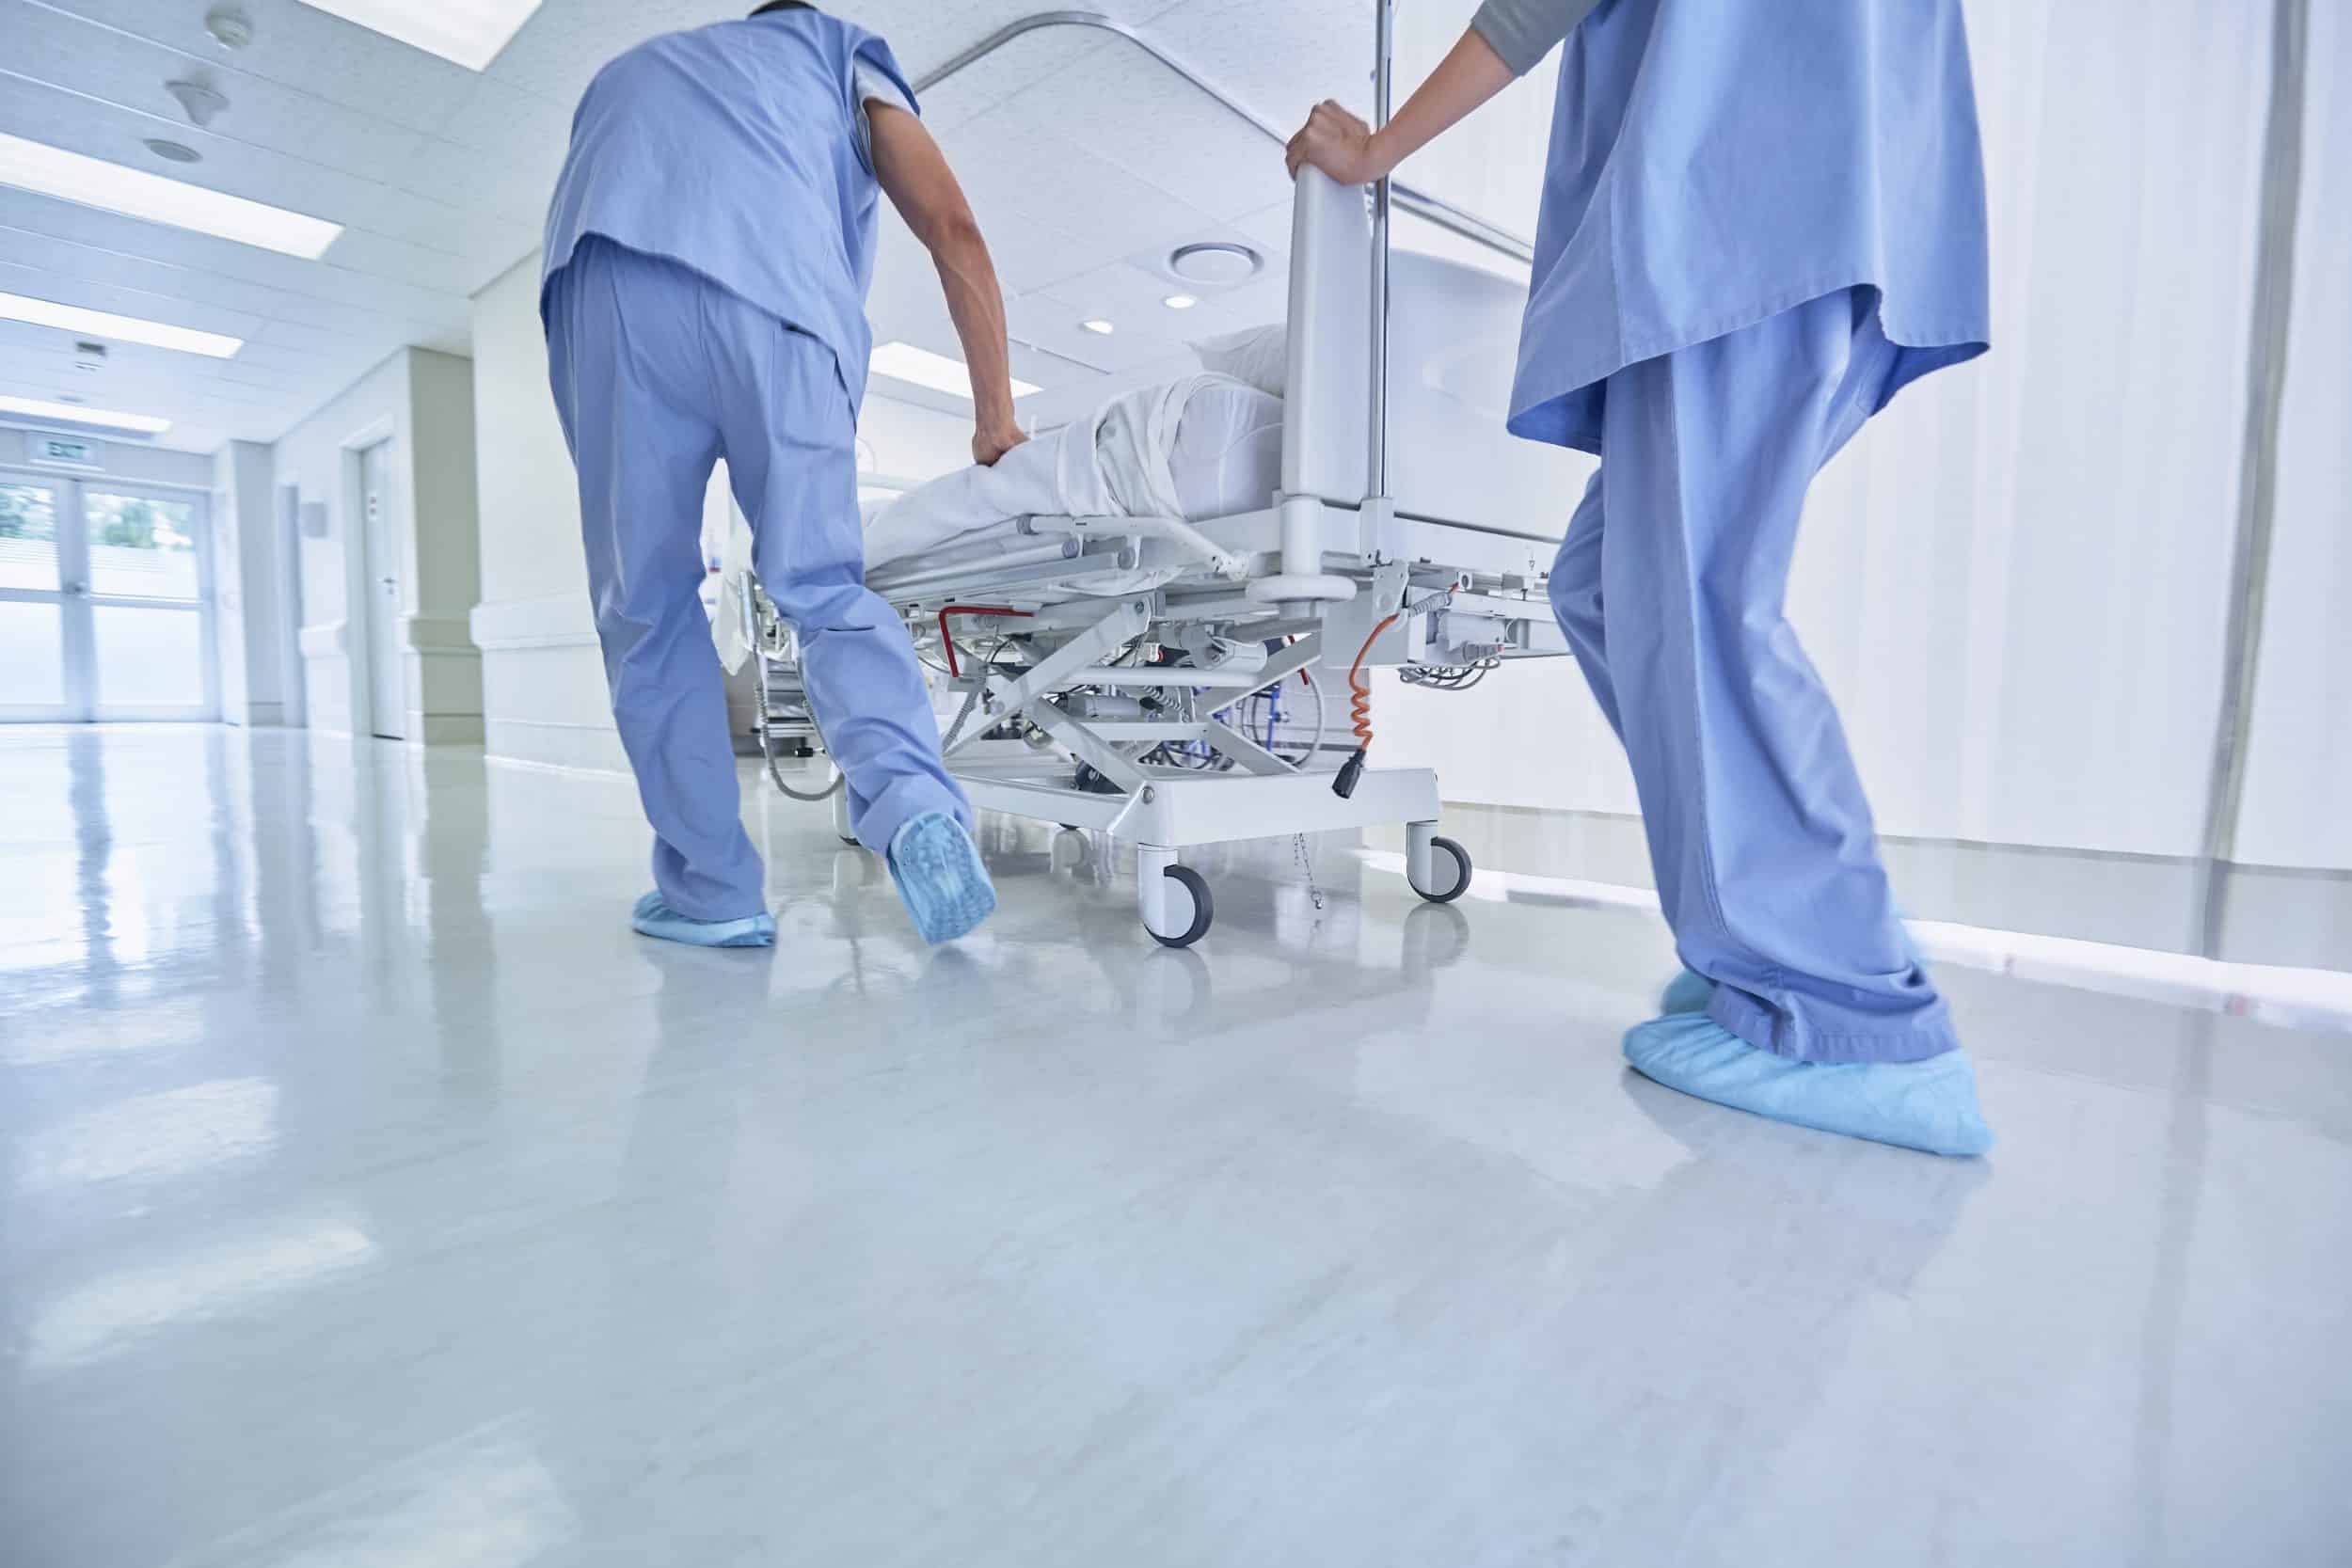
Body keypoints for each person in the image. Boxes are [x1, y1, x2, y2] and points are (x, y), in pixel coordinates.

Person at [1287, 0, 1995, 1156]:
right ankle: (1771, 941)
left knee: (1700, 601)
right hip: (1815, 188)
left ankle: (1850, 1014)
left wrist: (1373, 153)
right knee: (1608, 589)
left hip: (1739, 200)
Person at [541, 1, 1019, 949]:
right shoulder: (841, 56)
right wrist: (995, 418)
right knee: (823, 585)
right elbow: (953, 227)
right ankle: (917, 807)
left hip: (612, 280)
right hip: (787, 305)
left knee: (646, 606)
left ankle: (712, 891)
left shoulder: (628, 71)